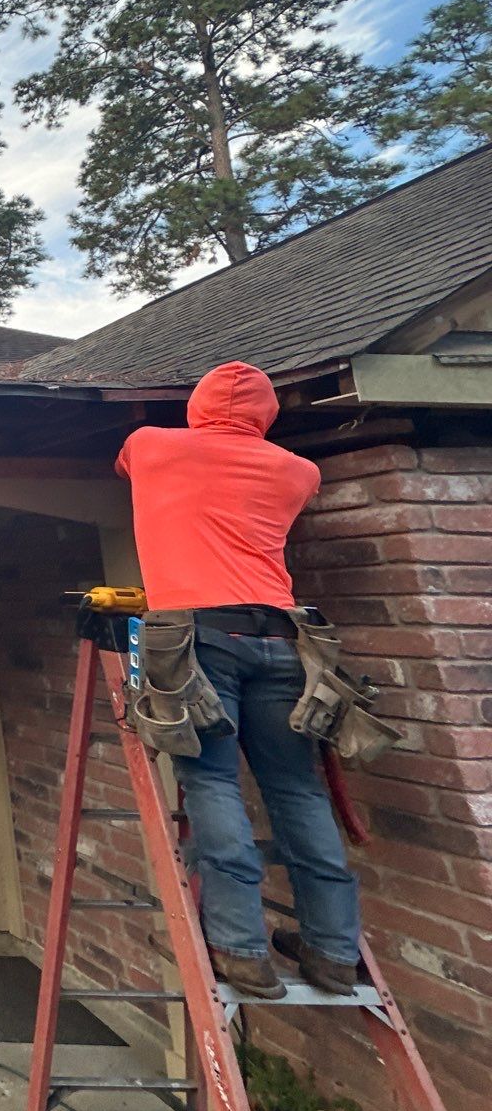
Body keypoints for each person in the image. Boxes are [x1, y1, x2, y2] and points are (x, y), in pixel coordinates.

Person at [116, 360, 363, 999]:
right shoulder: (298, 470)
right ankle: (335, 952)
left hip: (199, 636)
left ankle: (240, 948)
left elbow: (125, 467)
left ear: (197, 405)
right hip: (284, 639)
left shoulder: (151, 445)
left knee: (211, 780)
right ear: (267, 415)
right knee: (297, 790)